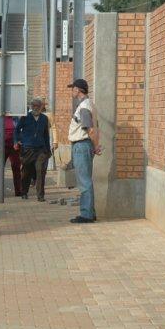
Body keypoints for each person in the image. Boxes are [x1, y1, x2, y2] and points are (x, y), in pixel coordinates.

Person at [67, 78, 101, 223]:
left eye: (73, 88)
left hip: (82, 145)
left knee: (84, 181)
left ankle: (86, 214)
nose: (72, 91)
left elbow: (90, 129)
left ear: (78, 90)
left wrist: (96, 146)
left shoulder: (84, 107)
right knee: (85, 179)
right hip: (83, 145)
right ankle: (90, 212)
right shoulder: (87, 104)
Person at [15, 98, 52, 201]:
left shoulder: (44, 118)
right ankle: (24, 192)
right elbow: (17, 130)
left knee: (40, 171)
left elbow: (46, 135)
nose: (35, 107)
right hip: (27, 149)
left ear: (41, 107)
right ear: (31, 107)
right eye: (33, 106)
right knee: (27, 172)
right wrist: (16, 141)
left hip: (41, 150)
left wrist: (48, 150)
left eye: (37, 106)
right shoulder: (25, 117)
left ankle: (40, 195)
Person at [0, 114, 22, 198]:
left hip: (14, 147)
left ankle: (19, 190)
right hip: (1, 147)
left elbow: (19, 131)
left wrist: (20, 141)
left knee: (16, 168)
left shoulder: (16, 118)